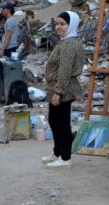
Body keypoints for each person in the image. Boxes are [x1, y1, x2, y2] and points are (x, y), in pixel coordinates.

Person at [42, 11, 83, 168]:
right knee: (54, 120)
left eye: (62, 24)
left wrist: (58, 92)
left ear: (70, 25)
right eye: (57, 23)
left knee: (62, 123)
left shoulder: (70, 44)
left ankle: (65, 158)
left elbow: (65, 69)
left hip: (64, 89)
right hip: (58, 87)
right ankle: (57, 152)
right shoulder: (64, 41)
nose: (58, 27)